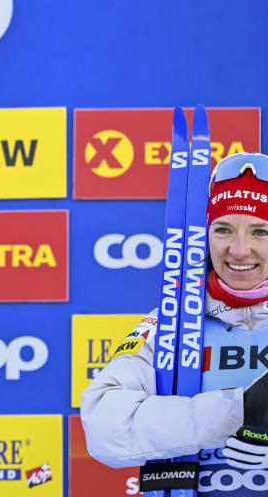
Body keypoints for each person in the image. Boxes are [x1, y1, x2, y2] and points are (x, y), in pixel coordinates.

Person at [82, 151, 268, 493]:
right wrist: (240, 411)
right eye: (224, 229)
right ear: (204, 235)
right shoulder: (172, 320)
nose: (240, 250)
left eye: (260, 232)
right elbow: (104, 427)